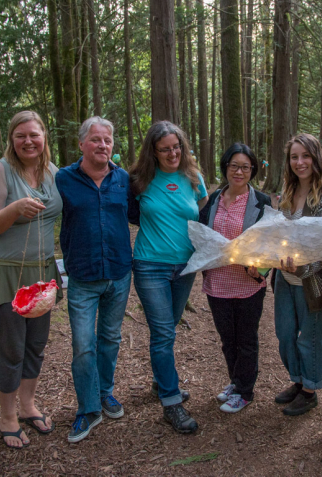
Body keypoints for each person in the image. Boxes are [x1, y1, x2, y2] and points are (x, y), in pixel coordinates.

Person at [0, 111, 63, 449]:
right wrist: (14, 210)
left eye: (34, 135)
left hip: (41, 273)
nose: (28, 141)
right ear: (11, 139)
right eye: (20, 135)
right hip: (6, 273)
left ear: (44, 137)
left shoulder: (52, 173)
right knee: (10, 349)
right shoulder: (0, 172)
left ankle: (27, 406)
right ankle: (7, 417)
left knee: (35, 345)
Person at [55, 117, 132, 444]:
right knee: (83, 344)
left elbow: (147, 212)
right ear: (82, 144)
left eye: (108, 140)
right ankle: (88, 409)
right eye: (96, 140)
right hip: (83, 276)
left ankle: (105, 392)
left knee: (110, 338)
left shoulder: (124, 179)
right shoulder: (63, 179)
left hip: (118, 272)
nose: (103, 145)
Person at [128, 121, 208, 434]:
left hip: (184, 267)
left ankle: (161, 381)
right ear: (154, 152)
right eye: (165, 149)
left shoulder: (193, 177)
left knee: (169, 328)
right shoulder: (139, 180)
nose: (172, 153)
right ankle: (171, 402)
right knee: (162, 333)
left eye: (176, 147)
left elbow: (200, 211)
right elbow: (130, 213)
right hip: (149, 265)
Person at [198, 143, 271, 414]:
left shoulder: (261, 202)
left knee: (246, 339)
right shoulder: (215, 198)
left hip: (247, 285)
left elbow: (271, 243)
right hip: (217, 282)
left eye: (245, 167)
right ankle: (235, 381)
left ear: (252, 169)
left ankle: (245, 391)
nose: (239, 172)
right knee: (227, 338)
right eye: (234, 166)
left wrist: (260, 268)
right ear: (225, 167)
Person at [273, 133, 322, 416]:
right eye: (294, 157)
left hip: (311, 279)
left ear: (316, 158)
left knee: (309, 336)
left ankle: (310, 390)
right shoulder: (287, 193)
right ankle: (298, 381)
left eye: (305, 156)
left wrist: (302, 267)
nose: (300, 162)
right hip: (284, 278)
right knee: (285, 334)